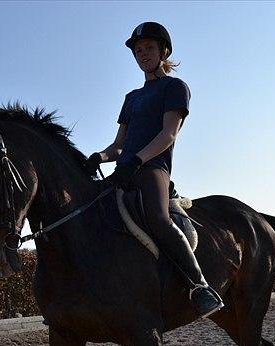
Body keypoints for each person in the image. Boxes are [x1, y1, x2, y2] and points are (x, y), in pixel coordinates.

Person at [84, 21, 224, 318]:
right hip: (125, 169)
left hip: (153, 169)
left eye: (148, 48)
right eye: (138, 50)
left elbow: (168, 135)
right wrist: (98, 156)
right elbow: (119, 145)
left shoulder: (175, 87)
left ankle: (199, 286)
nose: (142, 54)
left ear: (163, 51)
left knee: (158, 218)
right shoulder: (131, 98)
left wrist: (138, 160)